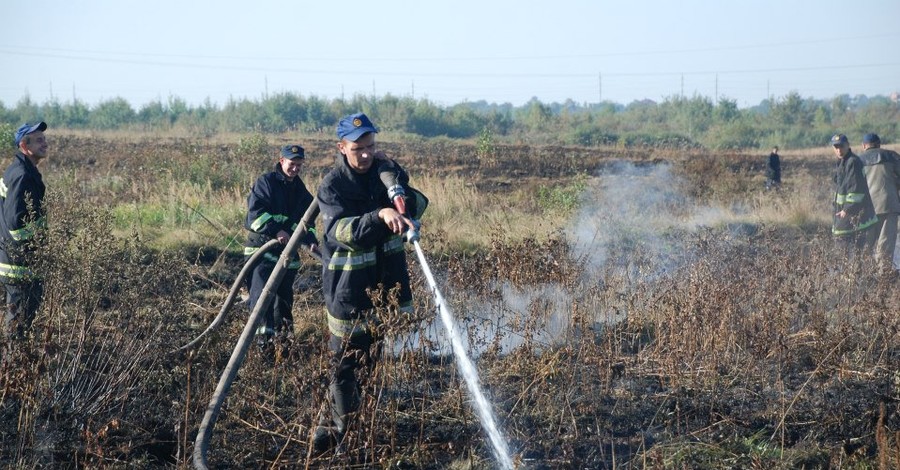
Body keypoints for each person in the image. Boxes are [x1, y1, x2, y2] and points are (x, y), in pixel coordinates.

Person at [312, 113, 427, 453]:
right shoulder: (332, 186)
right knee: (345, 363)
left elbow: (420, 206)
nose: (365, 155)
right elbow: (341, 232)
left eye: (371, 147)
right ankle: (337, 433)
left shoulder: (385, 175)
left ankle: (356, 425)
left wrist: (397, 189)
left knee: (371, 360)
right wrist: (379, 216)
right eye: (358, 148)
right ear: (342, 147)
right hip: (348, 291)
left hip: (384, 287)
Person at [244, 144, 318, 350]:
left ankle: (284, 346)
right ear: (281, 160)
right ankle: (263, 347)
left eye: (299, 165)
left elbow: (307, 222)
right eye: (292, 164)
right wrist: (276, 230)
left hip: (287, 256)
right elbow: (255, 216)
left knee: (283, 303)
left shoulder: (301, 192)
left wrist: (311, 239)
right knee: (262, 300)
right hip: (262, 252)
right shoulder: (265, 183)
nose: (295, 169)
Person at [0, 122, 49, 339]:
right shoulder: (22, 175)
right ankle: (12, 365)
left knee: (19, 322)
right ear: (24, 145)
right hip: (19, 264)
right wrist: (38, 242)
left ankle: (14, 364)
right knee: (18, 324)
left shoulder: (18, 169)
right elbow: (15, 221)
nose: (44, 143)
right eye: (38, 140)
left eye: (44, 139)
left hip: (14, 258)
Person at [830, 134, 878, 258]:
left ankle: (854, 276)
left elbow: (855, 189)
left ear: (848, 145)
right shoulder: (841, 162)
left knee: (853, 255)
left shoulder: (853, 162)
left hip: (854, 216)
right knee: (850, 256)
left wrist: (847, 209)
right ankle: (851, 276)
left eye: (841, 146)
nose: (839, 150)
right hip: (847, 215)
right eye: (836, 147)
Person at [858, 133, 900, 273]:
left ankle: (864, 275)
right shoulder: (892, 156)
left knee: (866, 245)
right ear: (879, 144)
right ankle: (884, 276)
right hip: (888, 204)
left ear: (864, 146)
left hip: (866, 208)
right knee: (886, 243)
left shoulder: (857, 160)